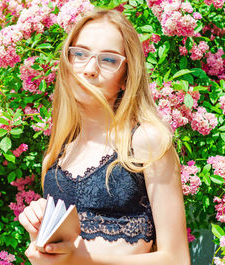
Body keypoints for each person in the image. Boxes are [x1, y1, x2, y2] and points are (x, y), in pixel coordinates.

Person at [18, 8, 190, 265]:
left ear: (126, 76)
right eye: (79, 54)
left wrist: (81, 259)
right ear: (67, 62)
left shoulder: (145, 142)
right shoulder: (57, 155)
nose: (89, 69)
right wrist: (38, 237)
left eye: (108, 60)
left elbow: (176, 259)